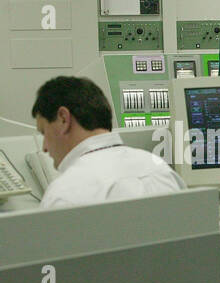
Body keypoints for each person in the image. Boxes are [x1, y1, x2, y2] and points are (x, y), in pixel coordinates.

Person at [32, 77, 185, 210]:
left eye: (44, 132)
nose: (44, 147)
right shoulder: (162, 172)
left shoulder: (64, 195)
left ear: (63, 119)